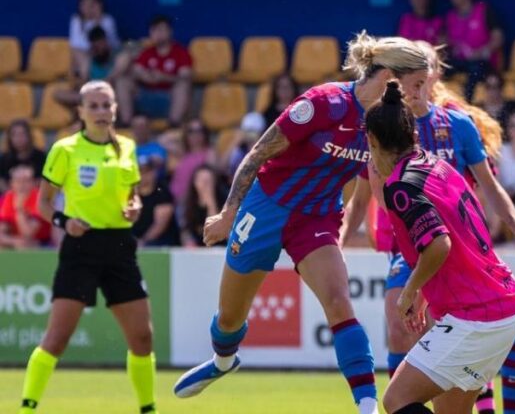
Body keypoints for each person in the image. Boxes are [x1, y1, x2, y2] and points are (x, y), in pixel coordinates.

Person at [172, 33, 433, 414]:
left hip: (317, 217)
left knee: (340, 303)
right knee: (230, 317)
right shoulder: (323, 103)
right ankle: (223, 361)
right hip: (266, 209)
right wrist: (229, 213)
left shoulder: (390, 122)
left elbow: (385, 183)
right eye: (417, 84)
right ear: (391, 75)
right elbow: (258, 153)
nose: (421, 93)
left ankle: (367, 406)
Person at [346, 42, 515, 413]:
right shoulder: (437, 164)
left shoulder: (402, 187)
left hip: (475, 317)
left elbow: (439, 245)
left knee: (396, 399)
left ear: (372, 142)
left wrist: (410, 291)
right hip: (504, 306)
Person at [17, 81, 155, 414]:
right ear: (79, 111)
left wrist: (134, 206)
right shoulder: (65, 149)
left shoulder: (127, 148)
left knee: (142, 339)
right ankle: (26, 409)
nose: (100, 112)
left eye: (106, 105)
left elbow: (133, 194)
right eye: (92, 106)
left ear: (115, 110)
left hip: (121, 246)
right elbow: (44, 204)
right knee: (57, 340)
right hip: (81, 247)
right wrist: (65, 223)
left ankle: (148, 409)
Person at [116, 15, 193, 126]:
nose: (158, 34)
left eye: (161, 29)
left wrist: (164, 77)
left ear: (170, 31)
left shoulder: (181, 53)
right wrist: (144, 76)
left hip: (168, 99)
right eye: (154, 30)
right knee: (123, 81)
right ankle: (126, 123)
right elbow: (136, 70)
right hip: (146, 96)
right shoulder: (147, 52)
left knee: (183, 85)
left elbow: (186, 76)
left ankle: (174, 125)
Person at [444, 0, 505, 101]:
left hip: (483, 63)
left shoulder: (484, 10)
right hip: (461, 62)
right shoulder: (450, 17)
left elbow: (498, 39)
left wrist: (480, 52)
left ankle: (467, 104)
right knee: (442, 68)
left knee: (475, 69)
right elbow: (447, 41)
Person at [69, 0, 121, 82]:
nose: (88, 8)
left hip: (105, 57)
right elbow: (76, 45)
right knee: (78, 54)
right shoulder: (76, 21)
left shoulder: (108, 20)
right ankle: (85, 86)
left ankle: (104, 81)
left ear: (99, 5)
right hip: (85, 57)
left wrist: (98, 22)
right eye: (84, 5)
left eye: (92, 5)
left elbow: (111, 44)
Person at [132, 155, 179, 247]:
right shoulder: (130, 193)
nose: (144, 176)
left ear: (154, 172)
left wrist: (143, 241)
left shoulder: (162, 192)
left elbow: (160, 225)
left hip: (160, 242)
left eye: (147, 171)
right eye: (140, 172)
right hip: (135, 239)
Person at [0, 165, 51, 249]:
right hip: (18, 240)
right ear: (11, 184)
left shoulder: (39, 198)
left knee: (27, 246)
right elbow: (2, 231)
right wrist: (13, 241)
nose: (22, 185)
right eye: (18, 181)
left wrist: (19, 210)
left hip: (43, 243)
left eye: (26, 181)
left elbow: (28, 233)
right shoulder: (8, 197)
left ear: (34, 182)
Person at [180, 165, 227, 248]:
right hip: (196, 249)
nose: (205, 184)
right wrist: (189, 242)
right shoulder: (187, 203)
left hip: (219, 248)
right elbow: (185, 229)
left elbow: (216, 231)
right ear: (194, 182)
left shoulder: (224, 201)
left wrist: (211, 202)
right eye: (201, 180)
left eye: (208, 181)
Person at [169, 120, 216, 201]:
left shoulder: (210, 153)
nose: (195, 135)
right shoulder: (181, 153)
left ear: (205, 134)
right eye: (191, 131)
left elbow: (213, 178)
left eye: (199, 131)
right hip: (174, 199)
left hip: (195, 202)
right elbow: (163, 140)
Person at [0, 119, 47, 190]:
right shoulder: (4, 158)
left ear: (29, 136)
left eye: (22, 134)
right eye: (14, 135)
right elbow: (2, 181)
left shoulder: (40, 157)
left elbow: (45, 180)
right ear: (9, 138)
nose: (18, 138)